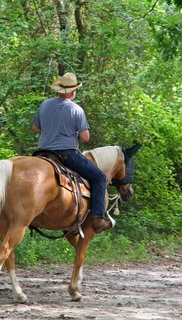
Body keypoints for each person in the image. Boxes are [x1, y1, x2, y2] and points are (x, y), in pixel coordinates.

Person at [30, 72, 112, 234]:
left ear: (59, 89)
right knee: (100, 177)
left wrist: (50, 131)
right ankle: (97, 219)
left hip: (43, 152)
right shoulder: (76, 109)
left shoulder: (45, 104)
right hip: (66, 154)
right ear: (73, 91)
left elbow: (34, 127)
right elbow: (85, 137)